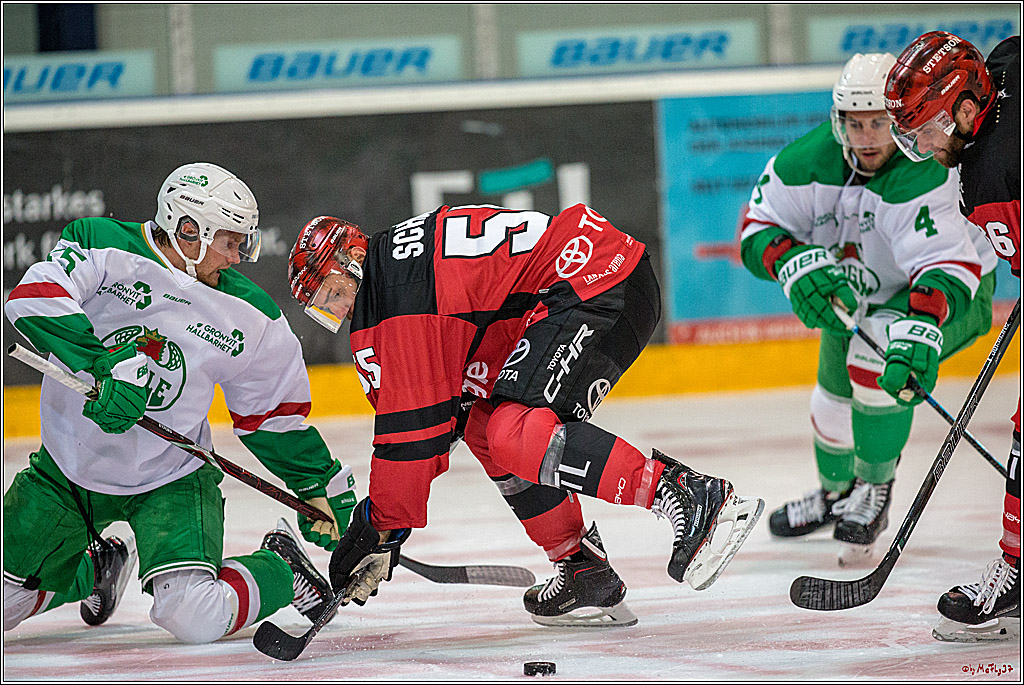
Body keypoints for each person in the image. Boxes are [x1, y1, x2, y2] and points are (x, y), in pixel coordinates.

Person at [286, 206, 765, 627]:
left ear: (350, 263)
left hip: (594, 280)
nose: (335, 310)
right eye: (321, 307)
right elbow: (444, 424)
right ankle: (581, 566)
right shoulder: (397, 270)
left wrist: (377, 524)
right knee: (488, 428)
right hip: (583, 284)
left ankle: (689, 494)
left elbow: (413, 437)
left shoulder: (394, 301)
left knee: (516, 433)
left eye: (330, 293)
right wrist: (388, 529)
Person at [3, 162, 357, 644]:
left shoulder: (252, 316)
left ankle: (281, 566)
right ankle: (97, 567)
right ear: (188, 228)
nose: (237, 257)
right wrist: (102, 368)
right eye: (230, 241)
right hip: (66, 471)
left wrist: (315, 480)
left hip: (170, 479)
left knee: (194, 617)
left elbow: (272, 414)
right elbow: (34, 297)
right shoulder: (103, 244)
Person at [740, 52, 998, 566]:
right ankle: (838, 494)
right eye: (854, 123)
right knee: (830, 403)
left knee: (877, 363)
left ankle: (874, 491)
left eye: (879, 121)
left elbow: (946, 266)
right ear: (838, 121)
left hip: (949, 295)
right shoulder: (804, 162)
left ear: (899, 117)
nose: (867, 136)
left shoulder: (925, 167)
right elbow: (755, 231)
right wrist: (791, 260)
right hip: (861, 292)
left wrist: (921, 325)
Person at [886, 31, 1020, 642]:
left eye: (926, 131)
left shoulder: (992, 178)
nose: (923, 147)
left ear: (967, 108)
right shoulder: (1006, 64)